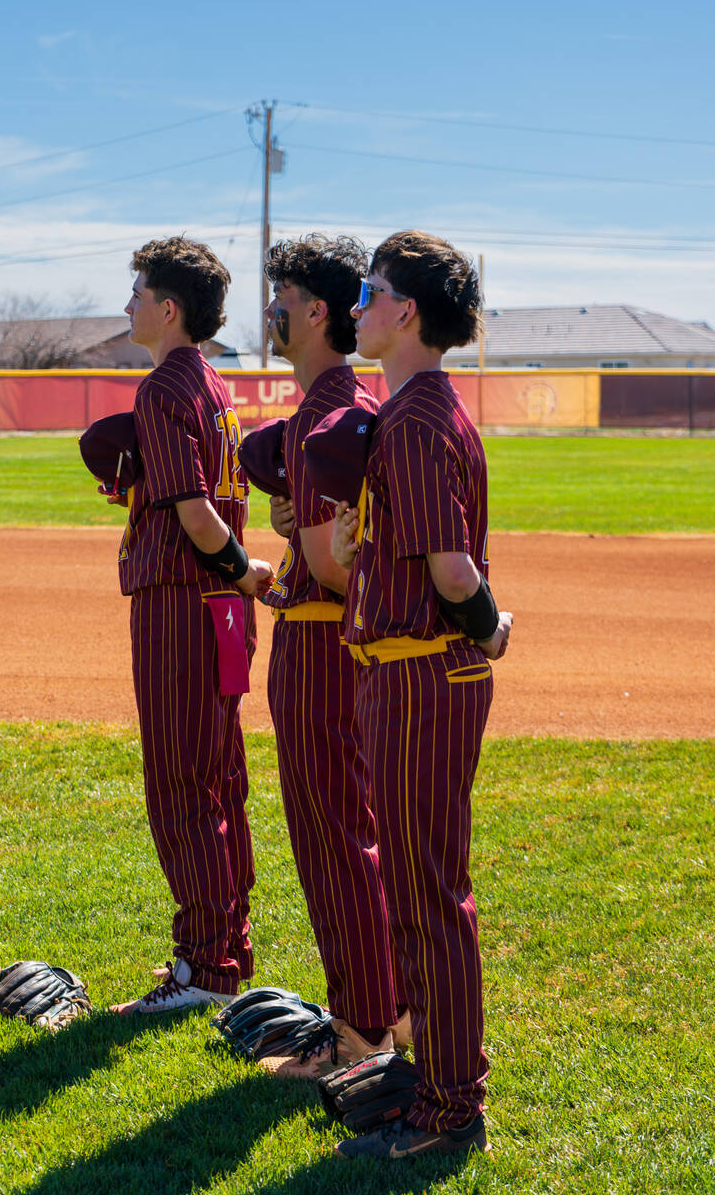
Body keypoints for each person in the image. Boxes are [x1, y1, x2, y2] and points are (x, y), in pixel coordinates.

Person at [329, 231, 512, 1159]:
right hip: (402, 671)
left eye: (368, 292)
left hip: (423, 673)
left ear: (406, 312)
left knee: (428, 894)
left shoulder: (415, 417)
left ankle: (450, 1106)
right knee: (411, 888)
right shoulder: (409, 410)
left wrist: (489, 625)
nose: (356, 307)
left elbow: (450, 570)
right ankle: (432, 1070)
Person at [104, 236, 274, 1014]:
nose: (129, 305)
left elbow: (198, 516)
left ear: (168, 309)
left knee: (181, 784)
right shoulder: (211, 382)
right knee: (219, 779)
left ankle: (203, 968)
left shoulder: (164, 387)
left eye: (138, 293)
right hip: (222, 614)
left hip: (184, 600)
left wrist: (243, 567)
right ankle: (225, 949)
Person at [254, 234, 405, 1078]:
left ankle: (356, 1033)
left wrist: (308, 541)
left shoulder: (322, 415)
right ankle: (396, 1012)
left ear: (317, 311)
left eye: (283, 296)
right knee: (361, 833)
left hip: (318, 644)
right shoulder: (347, 404)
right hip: (348, 647)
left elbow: (326, 566)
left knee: (333, 838)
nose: (271, 310)